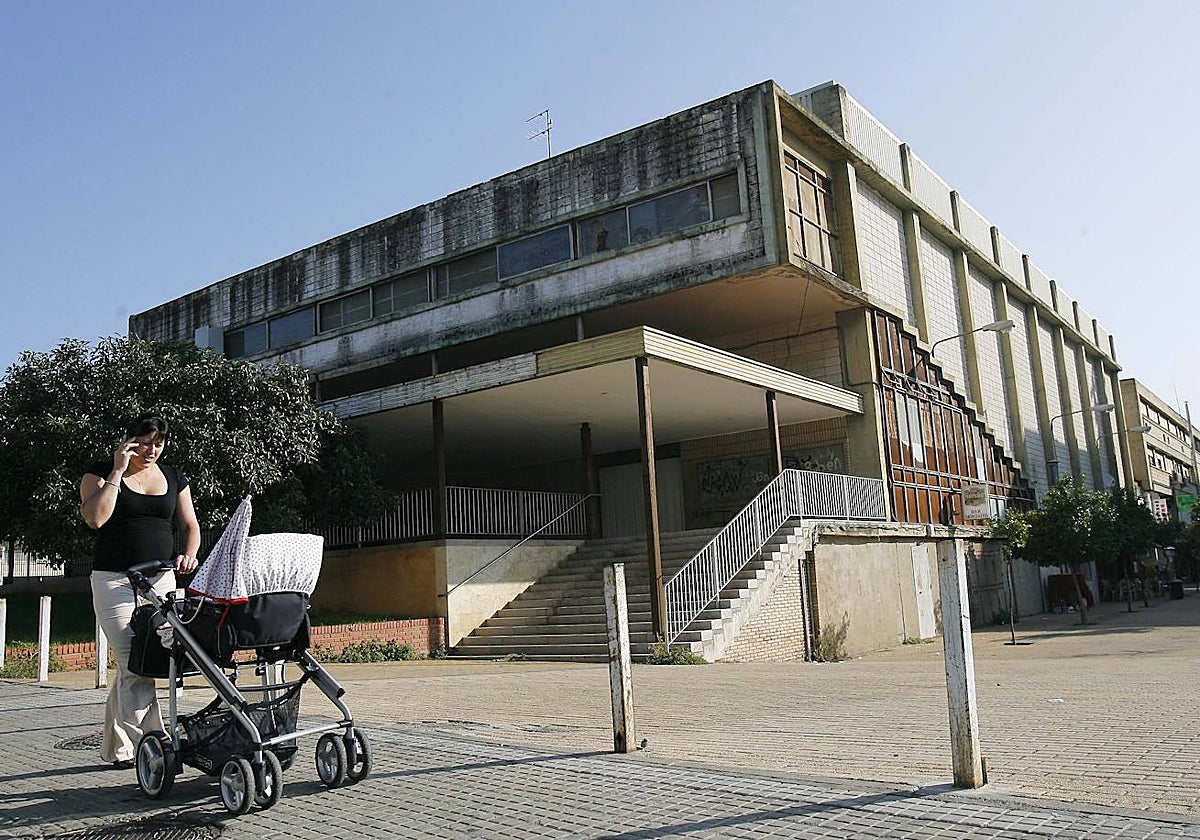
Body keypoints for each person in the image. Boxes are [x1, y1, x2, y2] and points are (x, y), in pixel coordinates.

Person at [80, 414, 200, 768]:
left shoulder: (174, 476)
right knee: (136, 662)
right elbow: (95, 518)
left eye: (158, 443)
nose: (151, 450)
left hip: (161, 579)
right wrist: (117, 472)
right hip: (113, 581)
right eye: (144, 442)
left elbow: (190, 524)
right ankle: (153, 748)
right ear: (129, 440)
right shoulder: (99, 472)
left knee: (144, 660)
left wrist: (189, 555)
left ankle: (117, 749)